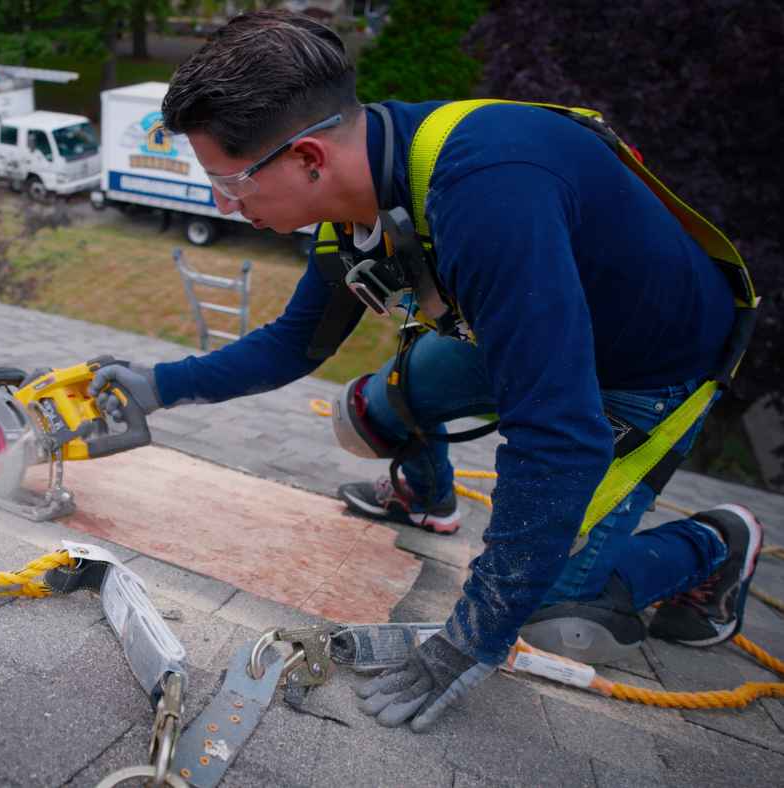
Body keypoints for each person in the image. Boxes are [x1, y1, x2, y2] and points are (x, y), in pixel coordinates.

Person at [89, 10, 764, 733]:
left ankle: (716, 542)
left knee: (558, 617)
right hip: (528, 324)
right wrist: (157, 386)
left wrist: (472, 637)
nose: (227, 205)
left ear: (308, 157)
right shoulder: (359, 198)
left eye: (229, 183)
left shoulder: (487, 192)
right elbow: (293, 346)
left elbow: (558, 436)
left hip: (643, 367)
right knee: (364, 415)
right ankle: (428, 501)